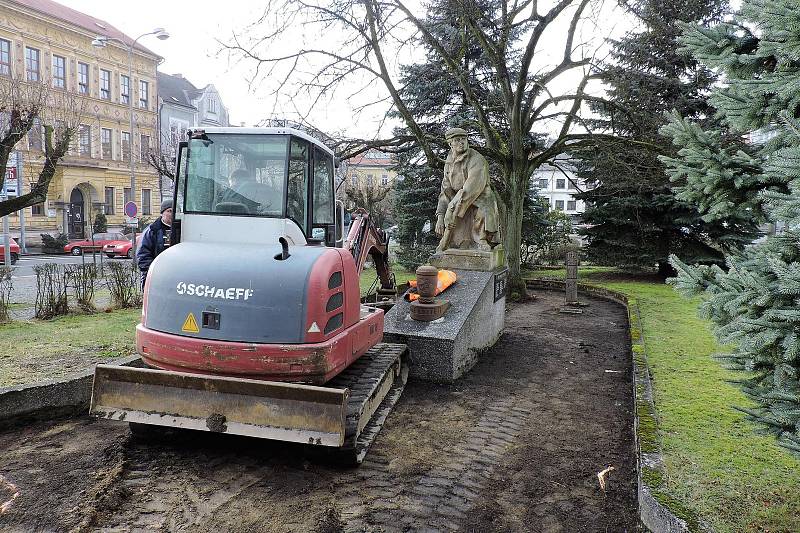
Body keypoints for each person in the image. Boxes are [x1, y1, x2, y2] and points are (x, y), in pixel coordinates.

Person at [435, 127, 500, 252]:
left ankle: (480, 239)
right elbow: (445, 191)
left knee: (483, 207)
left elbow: (470, 189)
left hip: (479, 197)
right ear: (450, 143)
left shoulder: (477, 159)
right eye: (457, 140)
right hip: (458, 200)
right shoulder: (449, 162)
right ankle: (455, 242)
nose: (461, 142)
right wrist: (440, 216)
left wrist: (451, 209)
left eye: (463, 139)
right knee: (450, 242)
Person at [137, 199, 173, 289]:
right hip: (155, 277)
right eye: (169, 211)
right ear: (162, 213)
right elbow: (143, 254)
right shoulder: (152, 230)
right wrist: (152, 271)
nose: (172, 214)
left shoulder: (182, 230)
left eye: (175, 211)